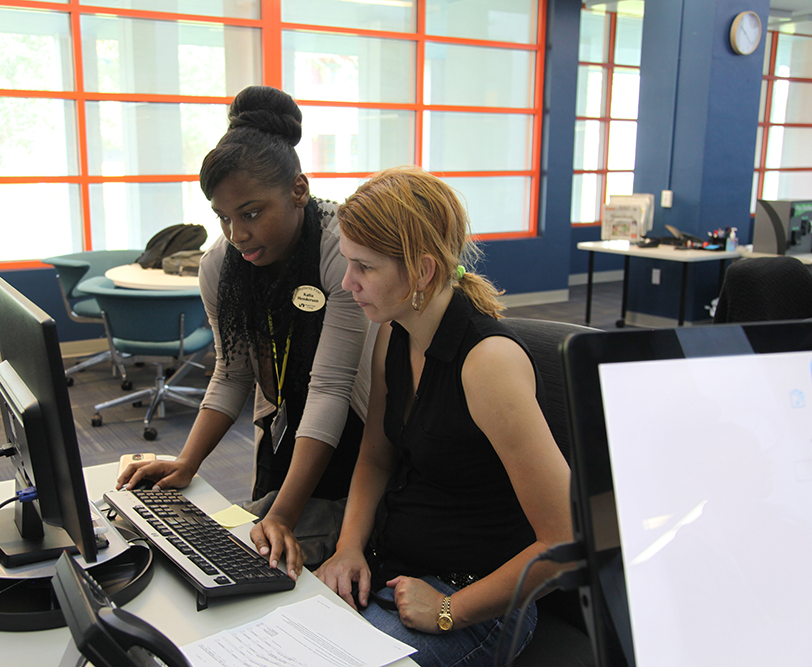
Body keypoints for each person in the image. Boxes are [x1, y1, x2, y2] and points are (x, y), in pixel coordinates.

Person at [315, 166, 573, 666]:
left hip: (477, 598)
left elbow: (565, 541)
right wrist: (348, 547)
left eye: (363, 267)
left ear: (422, 271)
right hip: (393, 565)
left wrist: (450, 611)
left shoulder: (488, 364)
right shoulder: (393, 331)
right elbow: (375, 457)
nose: (348, 284)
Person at [117, 86, 372, 581]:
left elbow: (332, 385)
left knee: (318, 544)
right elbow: (231, 374)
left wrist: (285, 512)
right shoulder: (220, 265)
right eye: (224, 217)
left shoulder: (342, 247)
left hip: (356, 427)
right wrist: (186, 463)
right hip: (282, 427)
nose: (238, 234)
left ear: (298, 190)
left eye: (252, 213)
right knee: (261, 545)